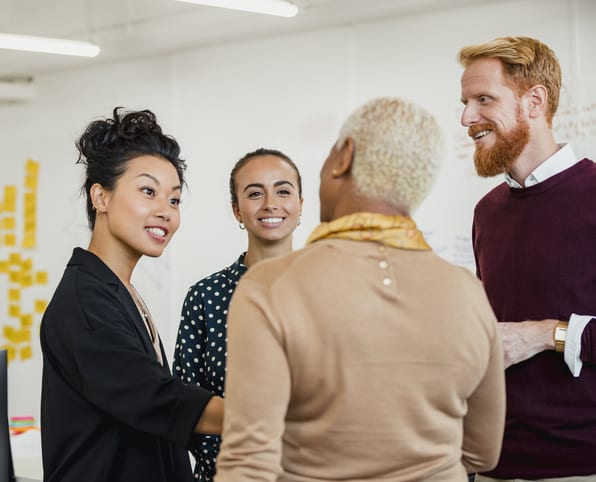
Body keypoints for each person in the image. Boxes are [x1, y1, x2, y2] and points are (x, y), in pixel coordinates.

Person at [214, 97, 506, 482]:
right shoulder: (467, 293)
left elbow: (248, 465)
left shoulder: (269, 287)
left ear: (344, 156)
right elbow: (482, 453)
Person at [39, 107, 224, 482]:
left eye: (174, 200)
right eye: (147, 191)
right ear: (100, 197)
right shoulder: (84, 302)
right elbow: (155, 398)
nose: (165, 212)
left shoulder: (116, 289)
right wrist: (279, 416)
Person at [459, 36, 596, 481]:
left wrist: (546, 334)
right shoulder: (487, 212)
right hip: (492, 464)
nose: (466, 118)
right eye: (464, 102)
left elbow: (524, 337)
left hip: (578, 466)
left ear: (534, 100)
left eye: (483, 99)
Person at [173, 148, 303, 480]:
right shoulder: (205, 297)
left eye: (283, 191)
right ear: (237, 210)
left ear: (300, 205)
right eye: (255, 193)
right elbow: (184, 404)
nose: (271, 203)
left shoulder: (329, 289)